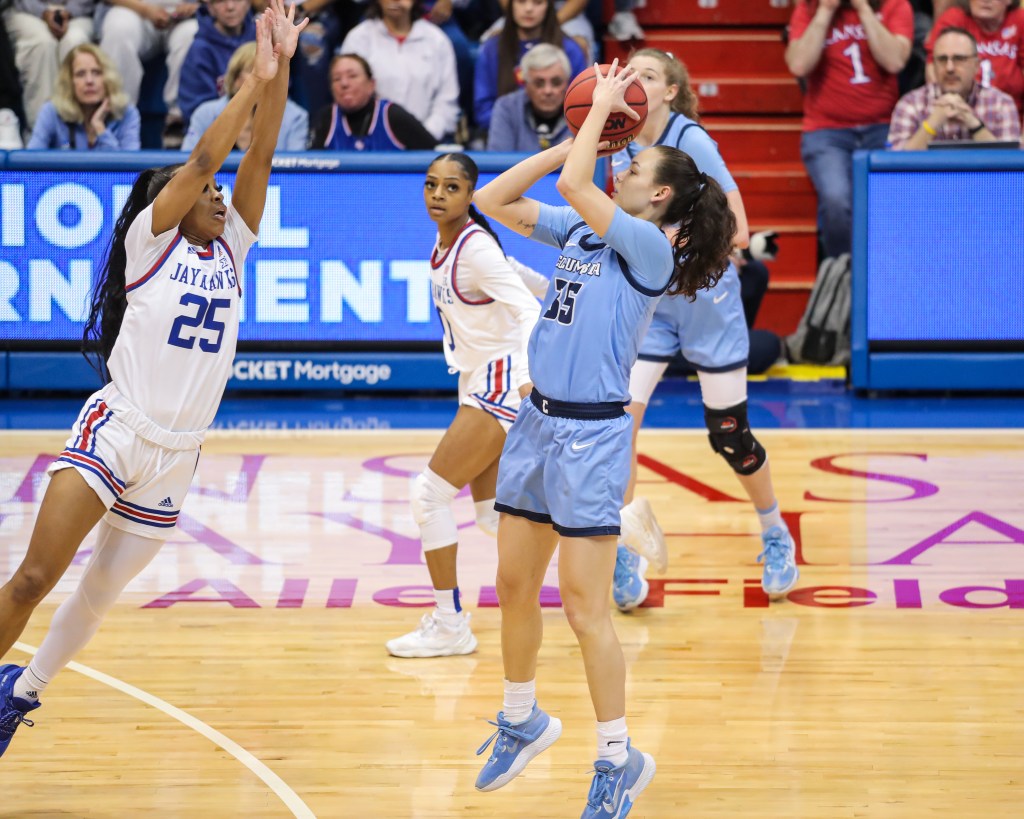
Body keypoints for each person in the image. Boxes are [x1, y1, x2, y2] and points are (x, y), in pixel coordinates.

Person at [0, 0, 306, 759]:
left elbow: (257, 159)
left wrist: (284, 68)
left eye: (215, 195)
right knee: (36, 574)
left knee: (99, 594)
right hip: (121, 425)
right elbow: (208, 160)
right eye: (201, 191)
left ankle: (19, 694)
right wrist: (254, 79)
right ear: (164, 205)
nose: (215, 194)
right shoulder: (150, 240)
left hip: (179, 451)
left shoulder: (231, 250)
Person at [470, 61, 735, 816]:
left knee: (584, 606)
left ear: (657, 196)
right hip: (536, 420)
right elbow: (495, 199)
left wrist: (596, 121)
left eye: (637, 158)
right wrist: (573, 136)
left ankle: (620, 756)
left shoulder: (650, 250)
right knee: (514, 586)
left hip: (590, 439)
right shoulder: (586, 230)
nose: (623, 158)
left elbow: (576, 188)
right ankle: (522, 716)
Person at [607, 48, 798, 611]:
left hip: (707, 302)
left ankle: (774, 531)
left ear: (670, 91)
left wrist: (662, 246)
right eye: (630, 72)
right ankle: (624, 548)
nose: (636, 79)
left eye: (648, 74)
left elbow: (737, 229)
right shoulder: (617, 142)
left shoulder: (692, 143)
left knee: (729, 436)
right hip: (652, 307)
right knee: (619, 427)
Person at [385, 152, 542, 658]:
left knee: (428, 496)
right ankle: (624, 526)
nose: (437, 195)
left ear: (471, 193)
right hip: (477, 380)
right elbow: (527, 280)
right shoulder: (454, 240)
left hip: (497, 384)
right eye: (431, 184)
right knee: (497, 516)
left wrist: (523, 380)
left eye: (451, 187)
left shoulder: (473, 248)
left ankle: (450, 624)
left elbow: (527, 309)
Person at [786, 0, 913, 259]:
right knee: (836, 200)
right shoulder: (808, 8)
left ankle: (885, 266)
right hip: (827, 132)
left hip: (883, 127)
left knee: (890, 205)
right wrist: (825, 11)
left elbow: (895, 61)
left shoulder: (894, 5)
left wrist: (864, 9)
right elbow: (798, 64)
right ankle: (844, 272)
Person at [339, 0, 460, 141]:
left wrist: (424, 137)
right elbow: (351, 96)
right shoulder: (358, 39)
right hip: (372, 144)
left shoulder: (437, 40)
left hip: (427, 144)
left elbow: (446, 101)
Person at [889, 26, 1020, 147]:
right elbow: (895, 167)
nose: (949, 68)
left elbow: (1010, 165)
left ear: (976, 65)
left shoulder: (1001, 103)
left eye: (959, 59)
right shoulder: (910, 103)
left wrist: (974, 124)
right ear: (933, 65)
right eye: (942, 59)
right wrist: (932, 124)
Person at [473, 0, 587, 132]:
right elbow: (483, 110)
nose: (528, 9)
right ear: (510, 6)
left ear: (548, 7)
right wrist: (514, 125)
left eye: (537, 2)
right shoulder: (491, 49)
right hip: (508, 136)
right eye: (521, 2)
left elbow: (581, 107)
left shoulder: (570, 50)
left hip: (562, 137)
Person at [97, 0, 200, 144]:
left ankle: (178, 122)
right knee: (118, 29)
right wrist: (145, 9)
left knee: (191, 34)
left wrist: (196, 7)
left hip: (184, 17)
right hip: (132, 9)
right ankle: (117, 116)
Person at [183, 41, 309, 151]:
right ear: (236, 78)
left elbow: (294, 173)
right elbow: (186, 164)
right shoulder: (205, 114)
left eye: (270, 71)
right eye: (254, 71)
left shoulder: (295, 117)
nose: (264, 78)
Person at [310, 53, 436, 150]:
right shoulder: (325, 118)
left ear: (371, 84)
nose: (344, 83)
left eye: (352, 76)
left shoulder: (393, 116)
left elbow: (433, 154)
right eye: (337, 79)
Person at [28, 43, 141, 150]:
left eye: (96, 73)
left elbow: (128, 167)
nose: (89, 81)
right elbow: (30, 161)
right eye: (80, 74)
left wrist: (100, 128)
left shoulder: (127, 114)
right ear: (69, 82)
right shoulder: (52, 111)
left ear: (108, 78)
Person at [3, 0, 95, 127]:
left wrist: (69, 12)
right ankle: (41, 131)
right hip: (25, 10)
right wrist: (44, 12)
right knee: (42, 44)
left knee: (74, 42)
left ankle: (79, 130)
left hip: (79, 11)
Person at [925, 0, 1024, 110]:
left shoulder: (1020, 20)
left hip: (1010, 116)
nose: (986, 1)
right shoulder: (954, 18)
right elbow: (934, 68)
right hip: (958, 110)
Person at [178, 0, 256, 123]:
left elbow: (282, 95)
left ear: (248, 3)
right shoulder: (200, 49)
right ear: (210, 7)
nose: (230, 7)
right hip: (218, 131)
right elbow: (197, 113)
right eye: (220, 1)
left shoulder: (262, 37)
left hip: (261, 127)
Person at [487, 42, 571, 151]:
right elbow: (498, 163)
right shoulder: (507, 107)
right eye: (539, 83)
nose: (548, 91)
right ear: (525, 84)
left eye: (556, 82)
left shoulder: (583, 111)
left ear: (567, 83)